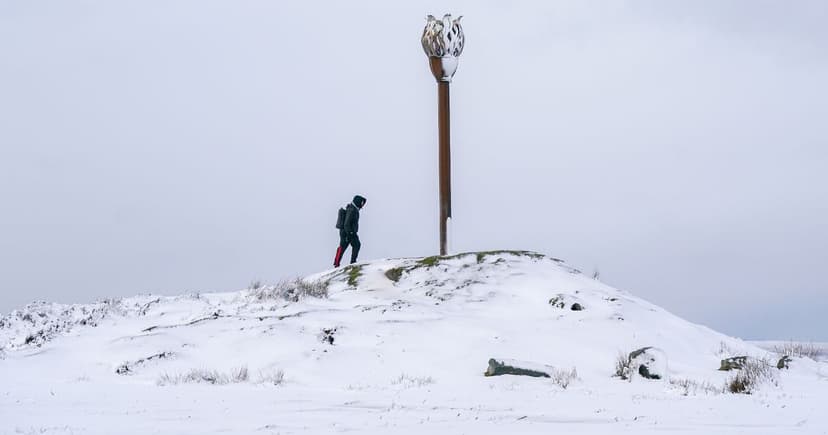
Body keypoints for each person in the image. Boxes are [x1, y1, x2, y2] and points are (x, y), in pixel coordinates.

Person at [334, 195, 367, 267]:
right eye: (362, 203)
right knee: (350, 246)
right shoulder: (352, 210)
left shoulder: (353, 209)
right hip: (347, 232)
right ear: (357, 201)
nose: (362, 205)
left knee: (347, 246)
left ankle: (339, 263)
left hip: (348, 232)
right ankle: (350, 262)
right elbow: (347, 223)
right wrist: (349, 233)